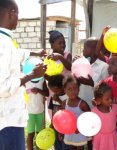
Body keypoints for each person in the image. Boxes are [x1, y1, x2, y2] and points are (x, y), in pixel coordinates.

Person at [0, 0, 47, 150]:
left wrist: (34, 52)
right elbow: (2, 87)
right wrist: (30, 76)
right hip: (8, 121)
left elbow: (14, 55)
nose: (18, 19)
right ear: (11, 13)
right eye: (17, 14)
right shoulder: (3, 43)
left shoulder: (6, 40)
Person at [77, 37, 109, 108]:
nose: (83, 50)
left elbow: (106, 90)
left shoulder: (104, 67)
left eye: (85, 48)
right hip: (80, 107)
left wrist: (91, 83)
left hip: (95, 108)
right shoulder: (81, 64)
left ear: (93, 49)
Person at [92, 82, 117, 150]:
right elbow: (92, 125)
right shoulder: (94, 111)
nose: (110, 100)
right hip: (100, 138)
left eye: (111, 97)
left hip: (112, 136)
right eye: (107, 99)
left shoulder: (115, 107)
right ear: (99, 100)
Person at [63, 75, 90, 150]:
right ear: (65, 90)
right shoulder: (64, 103)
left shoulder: (82, 104)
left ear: (79, 89)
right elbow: (61, 118)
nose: (73, 91)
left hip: (79, 132)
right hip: (69, 131)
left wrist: (81, 128)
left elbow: (89, 118)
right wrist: (61, 132)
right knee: (71, 147)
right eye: (69, 89)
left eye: (75, 88)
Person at [26, 78, 49, 150]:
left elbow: (47, 93)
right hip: (29, 112)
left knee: (40, 134)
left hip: (40, 111)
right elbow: (23, 92)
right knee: (30, 134)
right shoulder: (26, 80)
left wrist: (38, 90)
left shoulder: (42, 80)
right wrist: (31, 90)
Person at [48, 75, 68, 150]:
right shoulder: (53, 97)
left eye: (56, 91)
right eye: (53, 91)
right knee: (57, 145)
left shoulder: (68, 97)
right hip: (56, 125)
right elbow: (53, 110)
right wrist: (52, 122)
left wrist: (59, 100)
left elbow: (68, 110)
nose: (55, 93)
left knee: (65, 145)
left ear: (63, 87)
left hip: (66, 126)